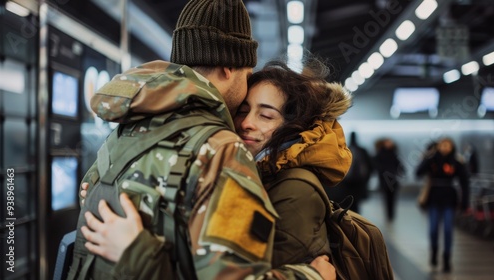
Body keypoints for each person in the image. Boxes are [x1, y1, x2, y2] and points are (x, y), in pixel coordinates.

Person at [72, 0, 335, 279]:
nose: (246, 121)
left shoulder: (127, 129)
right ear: (228, 69)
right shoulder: (221, 151)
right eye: (247, 74)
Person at [233, 58, 352, 267]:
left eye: (266, 115)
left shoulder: (296, 188)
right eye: (243, 111)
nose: (246, 123)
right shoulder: (262, 172)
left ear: (293, 126)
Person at [415, 137, 470, 273]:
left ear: (452, 147)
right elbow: (418, 173)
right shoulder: (432, 159)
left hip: (449, 199)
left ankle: (446, 258)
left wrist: (465, 202)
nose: (445, 148)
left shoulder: (457, 161)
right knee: (433, 229)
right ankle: (434, 251)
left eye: (448, 145)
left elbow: (464, 182)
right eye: (442, 145)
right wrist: (427, 157)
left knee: (447, 230)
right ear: (438, 146)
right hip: (434, 197)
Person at [326, 131, 373, 213]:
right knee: (352, 203)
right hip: (350, 182)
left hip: (354, 181)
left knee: (353, 203)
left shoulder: (349, 150)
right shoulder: (354, 150)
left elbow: (369, 166)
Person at [373, 138, 405, 222]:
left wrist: (400, 171)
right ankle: (388, 216)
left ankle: (391, 216)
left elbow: (399, 165)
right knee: (387, 199)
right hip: (384, 181)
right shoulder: (380, 154)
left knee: (393, 199)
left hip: (393, 180)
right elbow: (377, 166)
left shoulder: (393, 154)